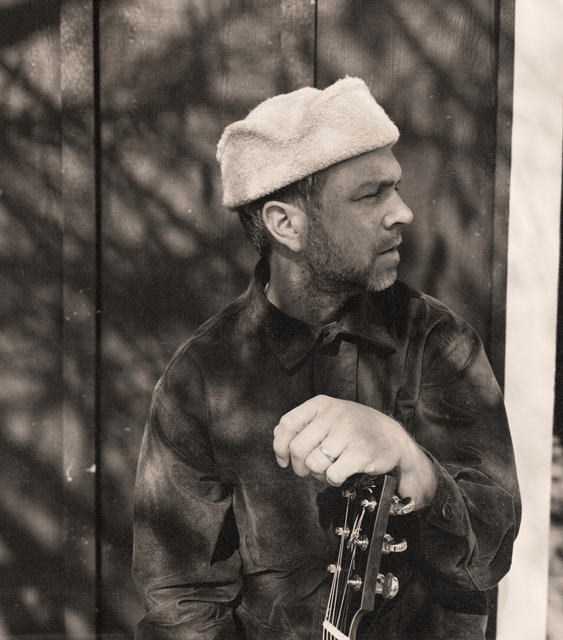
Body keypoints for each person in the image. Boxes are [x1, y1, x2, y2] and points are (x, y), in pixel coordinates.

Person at [132, 77, 521, 640]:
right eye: (370, 195)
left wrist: (414, 465)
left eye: (396, 187)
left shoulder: (437, 342)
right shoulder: (201, 378)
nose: (403, 212)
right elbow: (181, 599)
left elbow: (492, 552)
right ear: (285, 224)